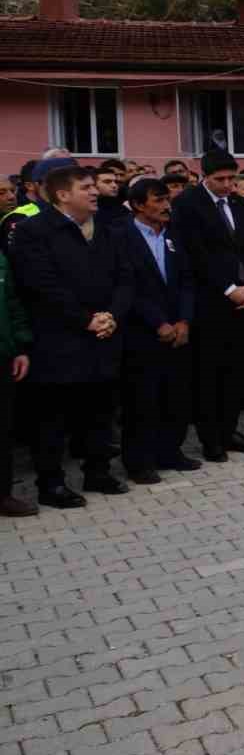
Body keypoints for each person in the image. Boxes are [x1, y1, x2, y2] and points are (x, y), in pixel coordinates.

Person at [11, 164, 134, 506]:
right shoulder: (33, 231)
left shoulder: (108, 229)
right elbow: (42, 285)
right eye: (86, 187)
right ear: (63, 195)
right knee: (52, 417)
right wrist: (85, 320)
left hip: (104, 335)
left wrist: (112, 315)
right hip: (58, 339)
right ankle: (51, 484)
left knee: (100, 409)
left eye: (95, 186)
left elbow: (126, 277)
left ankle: (99, 471)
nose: (95, 192)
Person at [170, 150, 244, 463]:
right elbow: (195, 254)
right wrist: (228, 289)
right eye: (219, 180)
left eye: (230, 179)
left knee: (237, 370)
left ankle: (230, 430)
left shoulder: (240, 203)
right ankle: (211, 438)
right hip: (210, 302)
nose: (226, 185)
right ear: (205, 176)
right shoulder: (188, 204)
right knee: (210, 374)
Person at [116, 178, 198, 485]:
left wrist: (184, 321)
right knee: (142, 399)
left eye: (167, 199)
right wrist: (158, 322)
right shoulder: (120, 236)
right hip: (142, 331)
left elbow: (188, 280)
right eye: (158, 200)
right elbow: (128, 286)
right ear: (138, 204)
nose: (166, 205)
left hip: (178, 329)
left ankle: (170, 451)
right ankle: (139, 461)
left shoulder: (173, 234)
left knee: (175, 395)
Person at [0, 245, 33, 515]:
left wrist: (20, 347)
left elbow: (12, 302)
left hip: (3, 353)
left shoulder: (1, 259)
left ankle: (3, 495)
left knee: (3, 428)